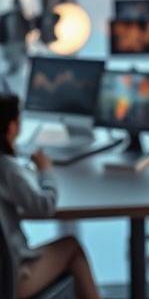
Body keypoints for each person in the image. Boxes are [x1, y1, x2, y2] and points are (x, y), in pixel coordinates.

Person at [0, 94, 101, 299]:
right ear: (11, 127)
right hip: (11, 281)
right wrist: (46, 170)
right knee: (72, 248)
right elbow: (45, 205)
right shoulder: (7, 168)